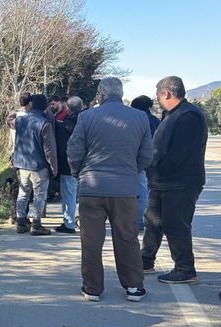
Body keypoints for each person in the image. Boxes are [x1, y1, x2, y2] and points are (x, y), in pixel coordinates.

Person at [67, 77, 152, 302]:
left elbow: (74, 149)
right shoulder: (140, 117)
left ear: (100, 95)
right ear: (120, 94)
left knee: (91, 240)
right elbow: (146, 155)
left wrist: (79, 173)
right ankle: (134, 286)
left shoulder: (87, 117)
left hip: (91, 188)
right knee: (127, 237)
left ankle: (92, 287)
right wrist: (131, 172)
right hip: (124, 189)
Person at [141, 76, 207, 284]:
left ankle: (185, 269)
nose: (157, 100)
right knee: (152, 221)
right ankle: (145, 259)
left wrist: (157, 170)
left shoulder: (189, 116)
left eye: (158, 95)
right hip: (162, 182)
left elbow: (178, 154)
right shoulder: (172, 114)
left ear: (166, 93)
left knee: (175, 225)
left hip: (180, 182)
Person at [7, 94, 57, 235]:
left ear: (31, 104)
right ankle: (36, 225)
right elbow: (50, 150)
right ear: (45, 107)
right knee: (39, 196)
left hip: (22, 164)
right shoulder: (45, 123)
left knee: (23, 194)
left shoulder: (20, 120)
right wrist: (53, 168)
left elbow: (9, 120)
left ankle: (21, 223)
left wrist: (16, 110)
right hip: (39, 166)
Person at [130, 95, 162, 232]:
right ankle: (149, 219)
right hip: (155, 161)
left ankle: (138, 222)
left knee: (140, 192)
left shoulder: (135, 120)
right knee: (150, 192)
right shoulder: (156, 121)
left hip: (140, 161)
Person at [54, 96, 84, 234]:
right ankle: (82, 220)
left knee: (69, 195)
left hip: (68, 165)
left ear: (68, 107)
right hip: (86, 164)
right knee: (83, 195)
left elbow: (61, 146)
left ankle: (69, 223)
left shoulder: (66, 124)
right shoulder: (87, 121)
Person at [7, 92, 32, 225]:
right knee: (26, 188)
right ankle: (23, 216)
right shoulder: (29, 117)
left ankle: (13, 215)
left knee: (15, 187)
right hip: (27, 155)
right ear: (30, 103)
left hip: (15, 154)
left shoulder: (14, 116)